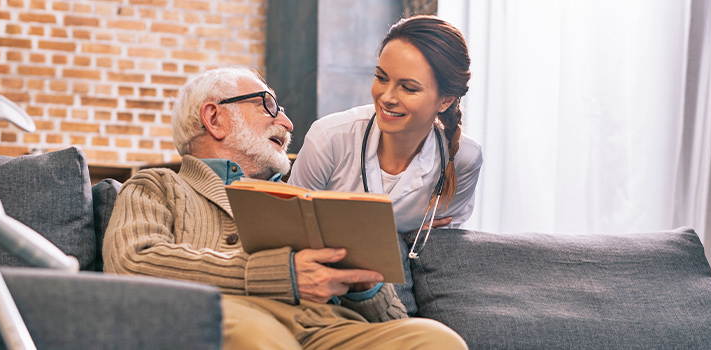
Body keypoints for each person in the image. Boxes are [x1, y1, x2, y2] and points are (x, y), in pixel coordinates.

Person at [103, 67, 467, 350]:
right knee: (255, 335)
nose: (288, 123)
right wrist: (282, 273)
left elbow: (390, 322)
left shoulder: (308, 199)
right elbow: (132, 263)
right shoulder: (158, 186)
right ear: (215, 119)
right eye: (268, 106)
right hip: (235, 316)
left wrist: (364, 287)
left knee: (435, 340)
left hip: (330, 330)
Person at [288, 15, 483, 315]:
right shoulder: (328, 138)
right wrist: (397, 232)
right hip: (317, 301)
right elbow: (289, 232)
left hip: (392, 305)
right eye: (381, 78)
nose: (386, 97)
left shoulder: (464, 159)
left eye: (408, 87)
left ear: (444, 100)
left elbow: (437, 252)